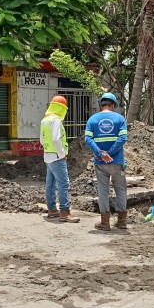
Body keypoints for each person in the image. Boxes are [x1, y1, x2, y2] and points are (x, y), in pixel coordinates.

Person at [84, 93, 128, 231]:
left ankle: (105, 223)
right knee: (121, 190)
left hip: (100, 163)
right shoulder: (120, 119)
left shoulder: (92, 119)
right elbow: (123, 138)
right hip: (117, 161)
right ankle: (121, 221)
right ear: (113, 105)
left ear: (101, 105)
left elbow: (88, 139)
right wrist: (111, 153)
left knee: (103, 191)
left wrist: (100, 154)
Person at [40, 95, 79, 223]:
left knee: (50, 184)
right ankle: (64, 212)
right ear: (61, 108)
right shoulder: (56, 120)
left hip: (47, 156)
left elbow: (41, 140)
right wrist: (62, 153)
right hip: (57, 157)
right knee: (63, 184)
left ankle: (51, 209)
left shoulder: (44, 120)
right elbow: (56, 139)